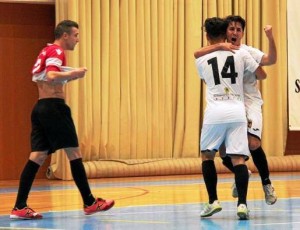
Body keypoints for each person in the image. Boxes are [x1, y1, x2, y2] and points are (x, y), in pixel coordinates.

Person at [10, 20, 115, 220]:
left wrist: (70, 74)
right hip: (54, 109)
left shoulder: (45, 51)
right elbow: (50, 75)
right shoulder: (57, 52)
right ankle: (90, 202)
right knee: (74, 153)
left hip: (40, 108)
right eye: (75, 35)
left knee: (38, 156)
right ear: (65, 35)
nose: (77, 39)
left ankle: (19, 206)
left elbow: (42, 75)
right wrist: (75, 73)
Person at [194, 15, 277, 205]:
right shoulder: (218, 52)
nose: (234, 32)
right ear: (225, 33)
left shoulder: (246, 52)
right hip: (232, 102)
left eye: (238, 29)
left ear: (242, 33)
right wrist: (220, 47)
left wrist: (270, 38)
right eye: (231, 29)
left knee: (253, 143)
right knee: (224, 151)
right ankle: (242, 175)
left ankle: (266, 183)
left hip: (249, 101)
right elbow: (198, 54)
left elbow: (269, 64)